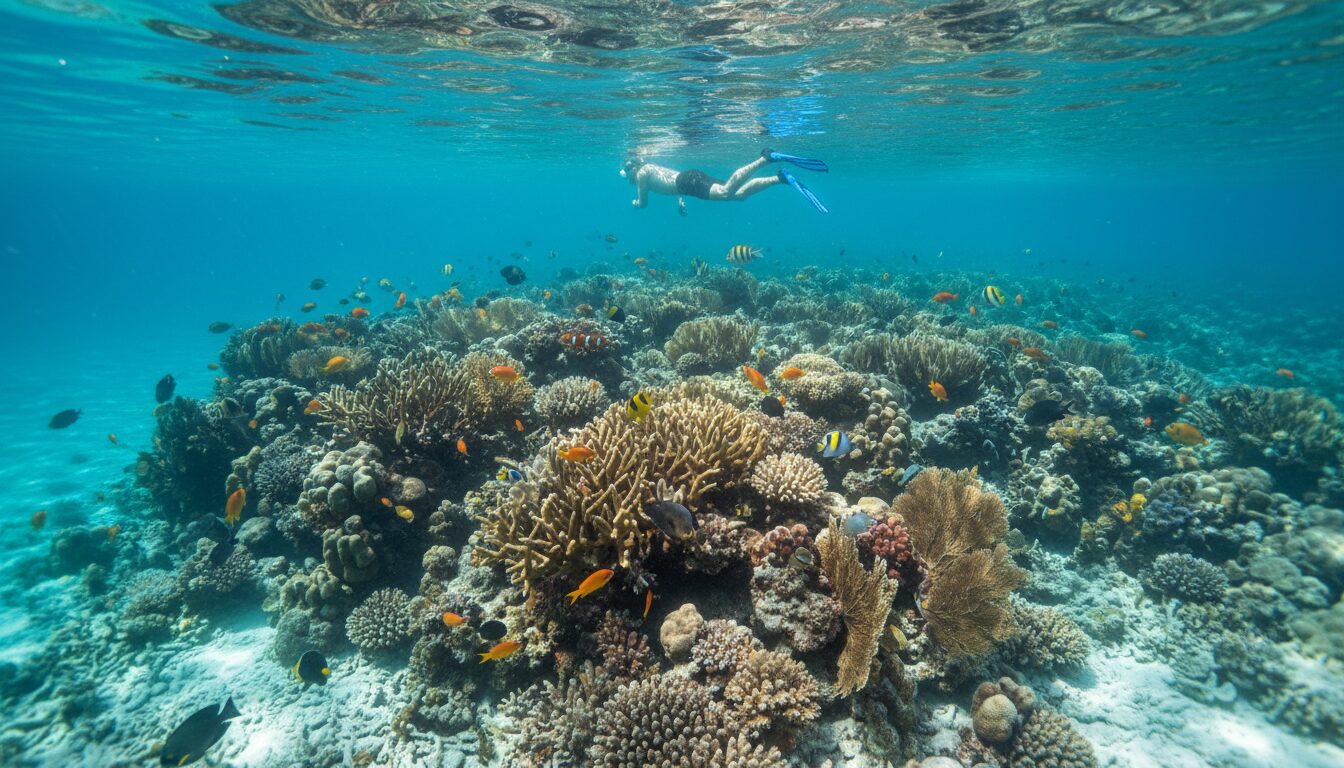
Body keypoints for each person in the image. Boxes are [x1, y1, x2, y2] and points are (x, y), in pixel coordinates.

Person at [621, 149, 829, 214]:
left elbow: (643, 203)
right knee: (738, 196)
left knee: (726, 192)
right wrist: (680, 200)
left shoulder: (641, 175)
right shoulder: (651, 168)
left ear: (632, 169)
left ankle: (765, 158)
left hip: (687, 183)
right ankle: (780, 178)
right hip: (687, 179)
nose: (629, 179)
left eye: (627, 175)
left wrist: (635, 203)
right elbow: (672, 179)